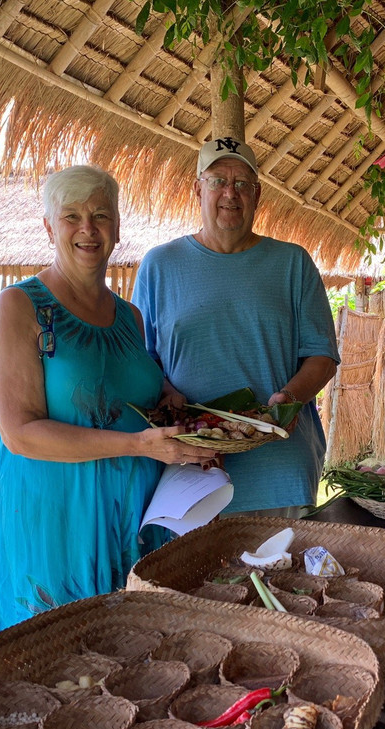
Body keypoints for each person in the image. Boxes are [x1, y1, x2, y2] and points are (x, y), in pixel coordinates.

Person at [0, 165, 216, 638]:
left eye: (100, 215)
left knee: (127, 659)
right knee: (52, 656)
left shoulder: (131, 317)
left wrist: (167, 397)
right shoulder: (21, 307)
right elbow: (20, 432)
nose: (87, 229)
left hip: (132, 517)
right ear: (50, 227)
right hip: (57, 521)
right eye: (71, 216)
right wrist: (140, 446)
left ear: (116, 227)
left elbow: (132, 393)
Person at [132, 137, 339, 517]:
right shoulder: (159, 265)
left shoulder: (292, 264)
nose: (231, 193)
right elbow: (141, 358)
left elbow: (322, 355)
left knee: (283, 575)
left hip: (278, 471)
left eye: (242, 183)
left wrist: (290, 399)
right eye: (218, 181)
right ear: (198, 188)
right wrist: (165, 390)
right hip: (191, 468)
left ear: (257, 194)